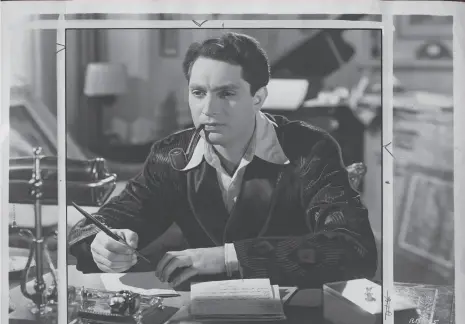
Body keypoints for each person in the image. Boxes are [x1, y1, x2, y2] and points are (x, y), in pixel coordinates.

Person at [68, 32, 377, 289]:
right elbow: (95, 225)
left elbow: (354, 250)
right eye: (198, 93)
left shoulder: (309, 149)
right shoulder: (170, 156)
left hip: (292, 321)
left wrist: (227, 257)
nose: (209, 109)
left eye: (226, 93)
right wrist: (101, 244)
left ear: (258, 98)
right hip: (198, 318)